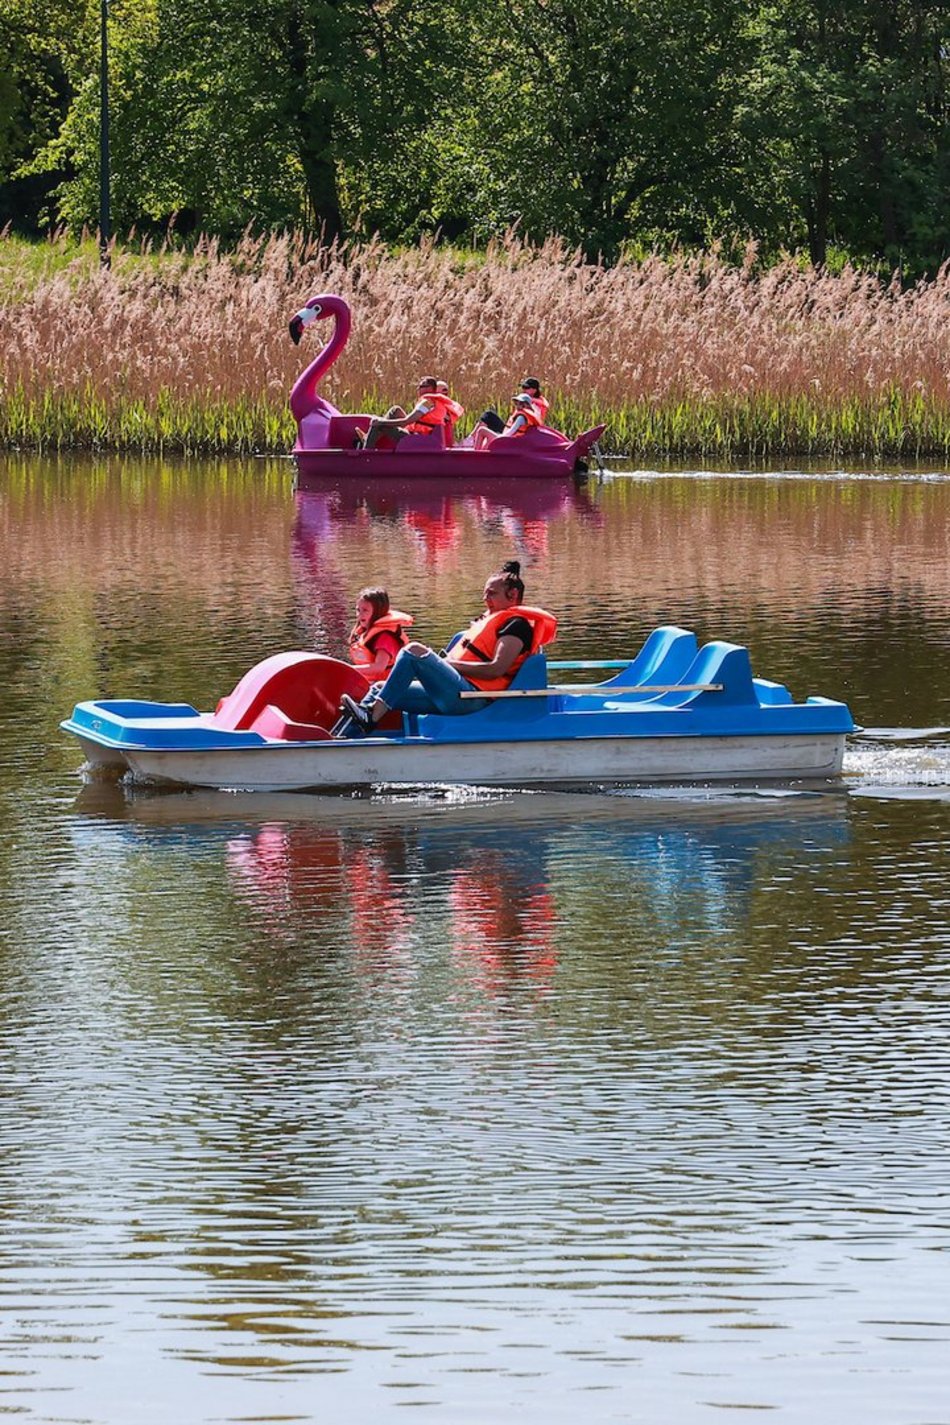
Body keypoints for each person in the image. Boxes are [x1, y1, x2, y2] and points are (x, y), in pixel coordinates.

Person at [335, 560, 557, 735]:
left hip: (473, 699)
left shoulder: (516, 626)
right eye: (485, 592)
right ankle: (342, 738)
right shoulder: (490, 621)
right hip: (457, 693)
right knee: (379, 688)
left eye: (491, 593)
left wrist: (447, 665)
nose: (485, 598)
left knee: (413, 651)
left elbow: (495, 670)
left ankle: (372, 717)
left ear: (513, 595)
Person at [362, 376, 451, 450]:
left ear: (430, 388)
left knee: (378, 424)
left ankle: (366, 451)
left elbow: (406, 421)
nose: (418, 389)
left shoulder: (426, 403)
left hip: (416, 439)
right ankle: (368, 437)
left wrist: (381, 422)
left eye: (421, 386)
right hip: (422, 437)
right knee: (395, 410)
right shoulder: (436, 402)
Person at [348, 588, 414, 681]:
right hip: (368, 682)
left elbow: (379, 667)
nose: (360, 614)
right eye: (358, 610)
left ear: (378, 612)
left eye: (365, 610)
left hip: (386, 685)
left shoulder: (385, 637)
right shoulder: (362, 632)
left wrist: (348, 669)